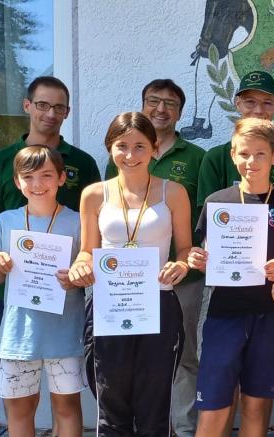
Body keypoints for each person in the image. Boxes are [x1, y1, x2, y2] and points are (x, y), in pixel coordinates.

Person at [67, 112, 192, 436]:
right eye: (122, 146)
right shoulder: (94, 194)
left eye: (140, 146)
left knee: (155, 404)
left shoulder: (173, 193)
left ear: (154, 148)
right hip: (110, 306)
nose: (130, 155)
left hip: (159, 305)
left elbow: (184, 249)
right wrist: (81, 265)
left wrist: (181, 265)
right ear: (110, 148)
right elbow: (87, 250)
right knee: (111, 403)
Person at [101, 79, 206, 435]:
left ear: (180, 112)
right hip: (119, 287)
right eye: (153, 101)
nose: (161, 109)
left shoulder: (196, 158)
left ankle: (183, 428)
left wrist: (187, 261)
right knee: (120, 367)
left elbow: (203, 220)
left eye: (170, 103)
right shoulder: (109, 174)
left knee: (181, 358)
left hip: (176, 283)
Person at [187, 117, 274, 437]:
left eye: (260, 153)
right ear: (233, 155)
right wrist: (197, 259)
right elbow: (204, 254)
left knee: (256, 405)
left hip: (269, 316)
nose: (252, 161)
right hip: (225, 315)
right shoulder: (216, 202)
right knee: (214, 406)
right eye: (244, 153)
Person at [0, 76, 101, 378]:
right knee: (16, 381)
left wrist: (79, 270)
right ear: (27, 105)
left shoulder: (83, 163)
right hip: (11, 290)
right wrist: (6, 263)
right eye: (42, 105)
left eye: (59, 107)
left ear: (67, 112)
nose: (50, 113)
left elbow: (92, 224)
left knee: (66, 387)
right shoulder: (0, 161)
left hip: (64, 295)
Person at [0, 146, 87, 437]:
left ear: (62, 178)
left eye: (46, 175)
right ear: (17, 182)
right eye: (28, 177)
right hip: (20, 334)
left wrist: (76, 278)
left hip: (64, 333)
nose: (37, 184)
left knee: (67, 407)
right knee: (19, 409)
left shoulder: (78, 221)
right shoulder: (6, 221)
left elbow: (89, 275)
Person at [197, 70, 274, 205]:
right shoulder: (215, 158)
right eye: (250, 102)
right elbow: (210, 212)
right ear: (238, 104)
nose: (258, 110)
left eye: (267, 103)